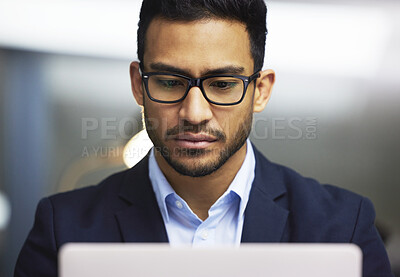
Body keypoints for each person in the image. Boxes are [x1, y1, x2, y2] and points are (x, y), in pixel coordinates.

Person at [15, 0, 393, 276]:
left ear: (260, 90)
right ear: (138, 85)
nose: (194, 113)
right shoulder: (61, 228)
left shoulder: (342, 225)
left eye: (223, 84)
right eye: (168, 82)